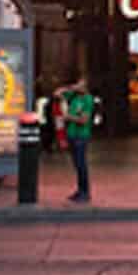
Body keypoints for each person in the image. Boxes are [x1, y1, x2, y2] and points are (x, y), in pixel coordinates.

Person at [56, 74, 94, 203]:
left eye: (81, 85)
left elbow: (84, 120)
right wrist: (70, 89)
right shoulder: (74, 96)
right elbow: (57, 93)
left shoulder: (88, 99)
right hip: (72, 134)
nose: (79, 87)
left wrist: (69, 118)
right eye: (78, 84)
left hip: (81, 136)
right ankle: (79, 190)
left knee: (81, 164)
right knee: (76, 165)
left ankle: (85, 191)